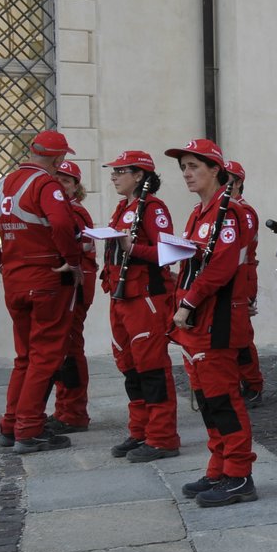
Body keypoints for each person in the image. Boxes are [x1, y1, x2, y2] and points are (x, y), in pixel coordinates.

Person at [0, 130, 82, 453]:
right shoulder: (46, 185)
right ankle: (29, 429)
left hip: (14, 279)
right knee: (45, 356)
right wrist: (71, 261)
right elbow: (60, 224)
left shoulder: (0, 185)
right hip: (46, 278)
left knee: (25, 357)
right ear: (58, 159)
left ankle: (10, 424)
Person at [168, 139, 259, 507]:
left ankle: (239, 474)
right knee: (206, 399)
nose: (187, 174)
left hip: (215, 319)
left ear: (215, 171)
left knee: (224, 399)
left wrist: (187, 303)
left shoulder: (229, 212)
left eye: (194, 166)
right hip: (195, 321)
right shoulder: (199, 212)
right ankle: (219, 465)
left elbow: (221, 266)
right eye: (184, 168)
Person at [98, 150, 181, 462]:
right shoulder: (123, 207)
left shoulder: (153, 207)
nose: (114, 176)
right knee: (129, 367)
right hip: (121, 296)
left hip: (145, 296)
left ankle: (162, 437)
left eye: (121, 171)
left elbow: (169, 251)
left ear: (139, 175)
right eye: (114, 171)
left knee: (151, 367)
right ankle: (140, 429)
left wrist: (135, 248)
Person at [47, 160, 96, 435]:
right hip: (68, 285)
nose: (59, 183)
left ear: (76, 187)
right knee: (63, 349)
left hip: (75, 287)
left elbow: (77, 251)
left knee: (70, 350)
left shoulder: (75, 213)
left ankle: (74, 412)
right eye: (56, 178)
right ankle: (65, 409)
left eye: (65, 180)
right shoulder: (64, 210)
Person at [225, 160, 264, 408]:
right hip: (232, 274)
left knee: (241, 335)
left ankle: (253, 384)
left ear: (238, 182)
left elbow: (241, 250)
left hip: (242, 274)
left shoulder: (244, 211)